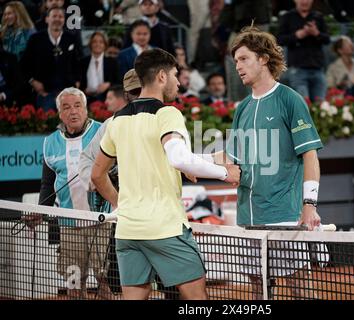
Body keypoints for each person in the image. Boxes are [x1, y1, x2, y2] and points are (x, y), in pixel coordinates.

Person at [91, 48, 240, 300]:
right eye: (174, 74)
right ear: (161, 76)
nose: (179, 82)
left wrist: (120, 204)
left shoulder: (116, 121)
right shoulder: (167, 113)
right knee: (196, 299)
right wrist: (225, 174)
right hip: (165, 228)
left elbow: (97, 175)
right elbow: (178, 158)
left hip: (128, 231)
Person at [210, 26, 323, 299]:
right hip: (248, 218)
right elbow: (232, 163)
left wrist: (309, 205)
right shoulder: (242, 109)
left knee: (300, 289)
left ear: (263, 59)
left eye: (243, 58)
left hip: (284, 216)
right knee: (259, 291)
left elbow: (310, 155)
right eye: (235, 60)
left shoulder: (290, 100)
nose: (237, 66)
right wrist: (192, 163)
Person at [24, 87, 112, 300]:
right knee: (74, 282)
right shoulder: (50, 142)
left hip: (102, 219)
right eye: (66, 107)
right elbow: (48, 184)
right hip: (68, 224)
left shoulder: (103, 132)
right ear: (60, 113)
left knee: (105, 281)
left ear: (85, 109)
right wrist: (41, 213)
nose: (73, 111)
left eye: (77, 106)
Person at [21, 6, 81, 111]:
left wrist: (76, 82)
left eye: (60, 16)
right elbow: (24, 64)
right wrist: (33, 81)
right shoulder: (35, 39)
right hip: (44, 93)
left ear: (64, 20)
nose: (57, 19)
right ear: (47, 19)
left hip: (67, 92)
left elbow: (77, 63)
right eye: (54, 16)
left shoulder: (71, 38)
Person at [278, 0, 330, 101]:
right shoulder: (288, 17)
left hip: (317, 68)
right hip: (297, 68)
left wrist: (316, 33)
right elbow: (279, 40)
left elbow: (327, 39)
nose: (304, 1)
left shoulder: (318, 16)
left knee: (321, 107)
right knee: (302, 105)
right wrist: (297, 35)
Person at [80, 32, 120, 103]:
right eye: (94, 41)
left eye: (101, 42)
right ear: (90, 44)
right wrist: (84, 90)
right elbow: (79, 81)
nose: (97, 44)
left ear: (105, 45)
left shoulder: (112, 62)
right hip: (86, 99)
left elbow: (118, 81)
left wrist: (108, 84)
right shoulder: (83, 62)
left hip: (106, 99)